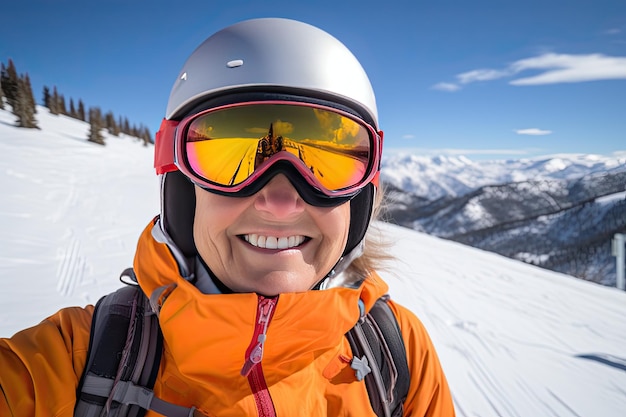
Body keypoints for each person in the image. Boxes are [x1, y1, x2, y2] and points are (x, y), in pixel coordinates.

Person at [0, 18, 455, 416]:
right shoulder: (77, 361)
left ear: (360, 198)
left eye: (326, 163)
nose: (280, 202)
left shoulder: (397, 353)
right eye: (229, 155)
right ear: (178, 184)